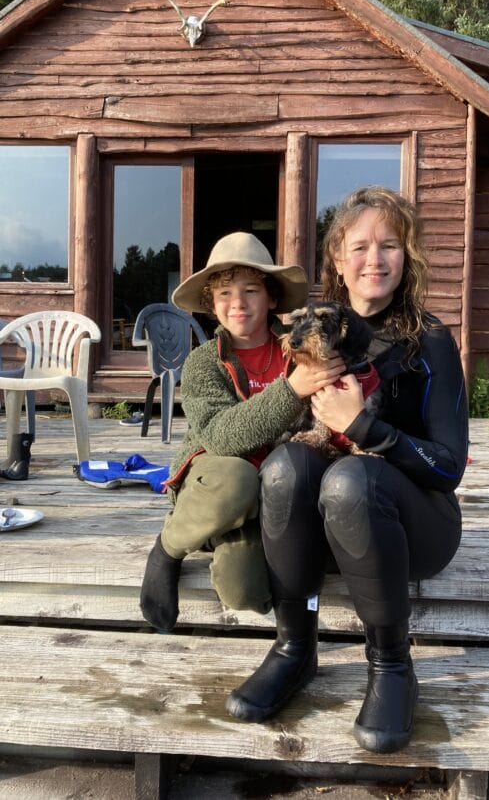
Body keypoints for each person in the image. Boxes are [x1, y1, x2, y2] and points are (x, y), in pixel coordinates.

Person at [225, 187, 469, 754]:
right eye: (359, 246)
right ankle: (294, 646)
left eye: (390, 245)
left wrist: (363, 426)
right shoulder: (315, 333)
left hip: (417, 527)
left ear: (407, 256)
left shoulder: (430, 340)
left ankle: (392, 665)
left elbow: (448, 468)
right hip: (331, 532)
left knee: (350, 479)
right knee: (285, 466)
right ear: (337, 258)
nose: (374, 260)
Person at [140, 231, 346, 630]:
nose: (238, 303)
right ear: (211, 304)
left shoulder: (300, 349)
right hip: (219, 478)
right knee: (236, 478)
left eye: (251, 290)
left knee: (245, 591)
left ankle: (226, 529)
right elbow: (221, 437)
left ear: (271, 298)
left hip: (276, 489)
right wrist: (292, 390)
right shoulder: (204, 362)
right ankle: (168, 548)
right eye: (224, 293)